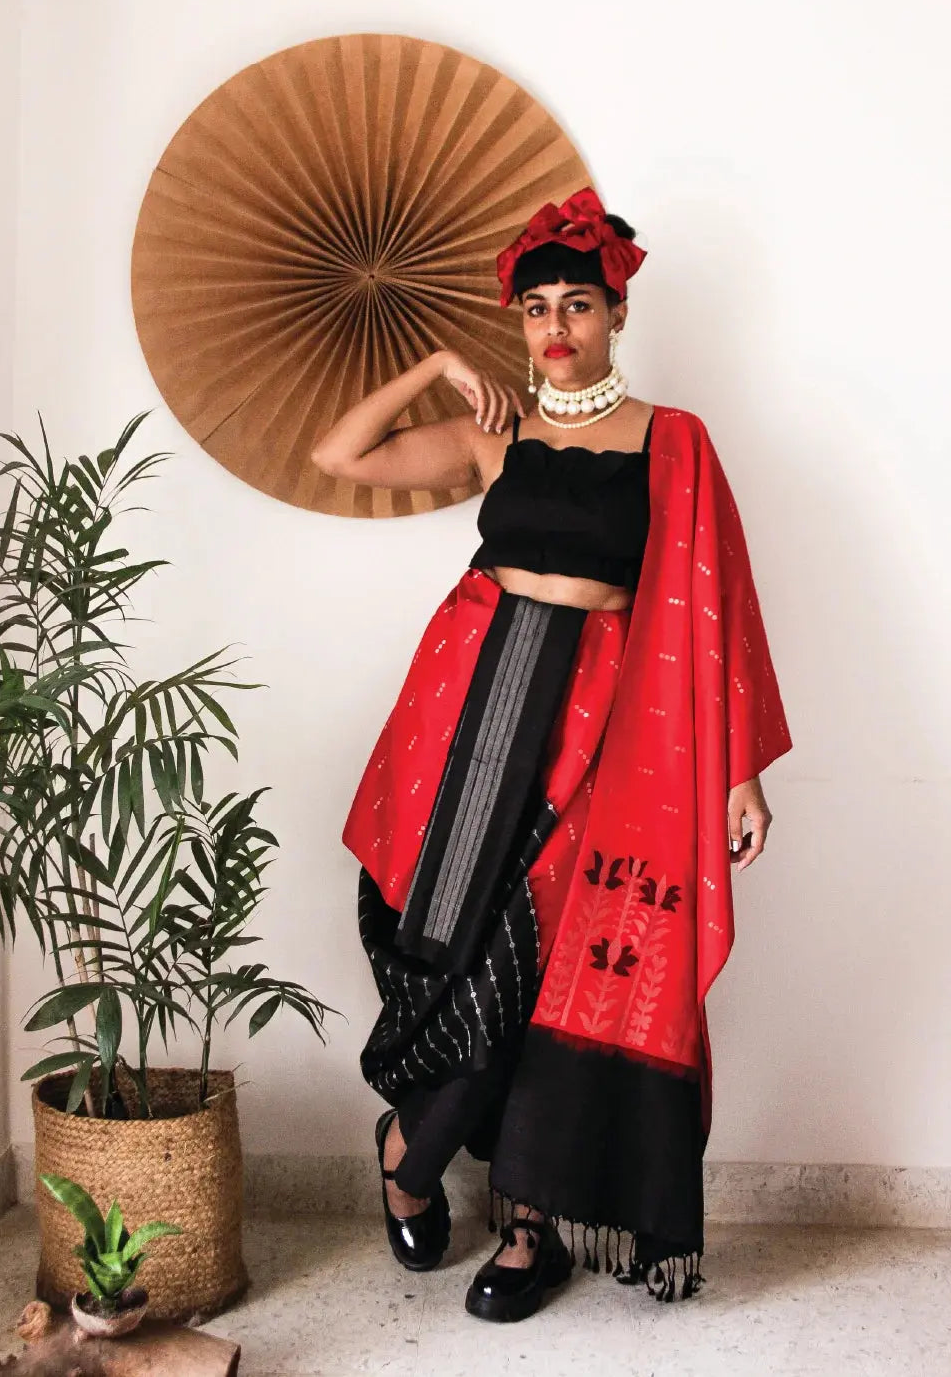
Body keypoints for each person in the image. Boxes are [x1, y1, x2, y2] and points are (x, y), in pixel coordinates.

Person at [311, 187, 792, 1322]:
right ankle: (413, 1153)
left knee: (544, 976)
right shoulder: (501, 435)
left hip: (602, 739)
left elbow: (720, 607)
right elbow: (339, 451)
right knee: (462, 962)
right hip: (469, 728)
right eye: (536, 309)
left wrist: (738, 770)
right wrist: (438, 364)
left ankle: (519, 1221)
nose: (556, 326)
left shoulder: (672, 441)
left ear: (617, 313)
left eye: (578, 303)